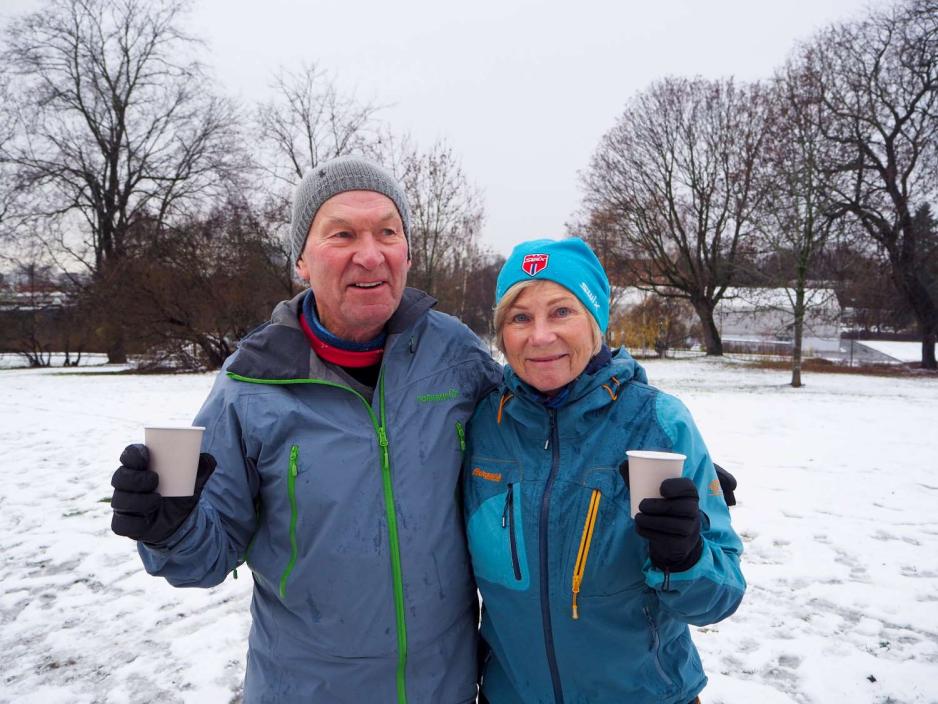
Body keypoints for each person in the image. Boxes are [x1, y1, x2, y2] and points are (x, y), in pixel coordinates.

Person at [109, 156, 502, 703]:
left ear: (407, 252)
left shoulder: (457, 357)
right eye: (342, 234)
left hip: (447, 686)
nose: (370, 253)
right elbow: (204, 557)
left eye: (387, 232)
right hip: (307, 688)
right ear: (301, 260)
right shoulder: (250, 385)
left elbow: (526, 456)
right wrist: (167, 526)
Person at [462, 238, 745, 704]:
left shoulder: (659, 424)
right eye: (519, 317)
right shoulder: (480, 427)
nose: (540, 336)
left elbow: (721, 597)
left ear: (596, 321)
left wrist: (685, 558)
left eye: (561, 312)